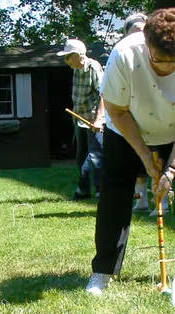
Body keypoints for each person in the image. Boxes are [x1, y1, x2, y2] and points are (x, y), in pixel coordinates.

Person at [86, 8, 175, 295]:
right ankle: (103, 271)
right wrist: (145, 156)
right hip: (127, 127)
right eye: (159, 59)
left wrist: (171, 170)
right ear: (147, 44)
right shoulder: (123, 55)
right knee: (113, 193)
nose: (166, 69)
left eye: (174, 61)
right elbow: (117, 111)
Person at [122, 13, 169, 216]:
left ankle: (162, 202)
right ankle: (141, 202)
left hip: (160, 119)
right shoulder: (125, 59)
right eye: (133, 34)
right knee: (139, 161)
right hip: (135, 119)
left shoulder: (162, 55)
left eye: (142, 32)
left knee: (159, 161)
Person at [57, 39, 105, 200]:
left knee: (95, 157)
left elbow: (103, 94)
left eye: (68, 57)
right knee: (81, 157)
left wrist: (98, 120)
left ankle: (100, 191)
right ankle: (84, 191)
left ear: (78, 55)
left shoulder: (94, 67)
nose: (66, 61)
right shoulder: (76, 69)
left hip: (93, 120)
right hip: (79, 119)